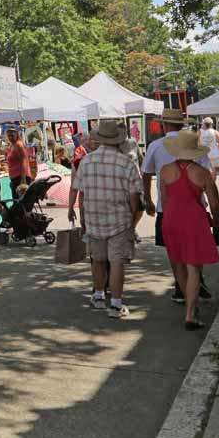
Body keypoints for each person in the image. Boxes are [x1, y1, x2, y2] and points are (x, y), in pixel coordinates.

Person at [68, 121, 143, 319]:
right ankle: (116, 304)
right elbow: (135, 196)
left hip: (93, 218)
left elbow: (81, 193)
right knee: (117, 261)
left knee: (98, 259)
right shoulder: (126, 163)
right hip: (120, 219)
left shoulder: (86, 161)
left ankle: (99, 296)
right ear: (118, 141)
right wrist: (133, 220)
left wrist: (83, 218)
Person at [142, 111, 214, 303]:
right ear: (181, 126)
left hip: (167, 208)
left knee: (173, 249)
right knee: (195, 247)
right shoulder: (196, 147)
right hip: (195, 206)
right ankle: (197, 280)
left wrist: (148, 199)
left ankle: (181, 287)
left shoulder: (155, 146)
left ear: (164, 125)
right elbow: (208, 174)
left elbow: (146, 173)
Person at [159, 131, 219, 330]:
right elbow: (214, 204)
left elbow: (165, 199)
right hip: (194, 220)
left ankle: (189, 303)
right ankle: (190, 314)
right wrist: (218, 221)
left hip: (171, 219)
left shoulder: (164, 170)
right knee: (194, 267)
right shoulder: (203, 173)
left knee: (178, 263)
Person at [5, 128, 32, 199]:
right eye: (9, 136)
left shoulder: (19, 145)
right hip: (14, 177)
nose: (10, 137)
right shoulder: (11, 145)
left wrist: (23, 179)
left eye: (12, 135)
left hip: (20, 177)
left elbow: (24, 160)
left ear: (16, 134)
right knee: (16, 200)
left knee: (20, 201)